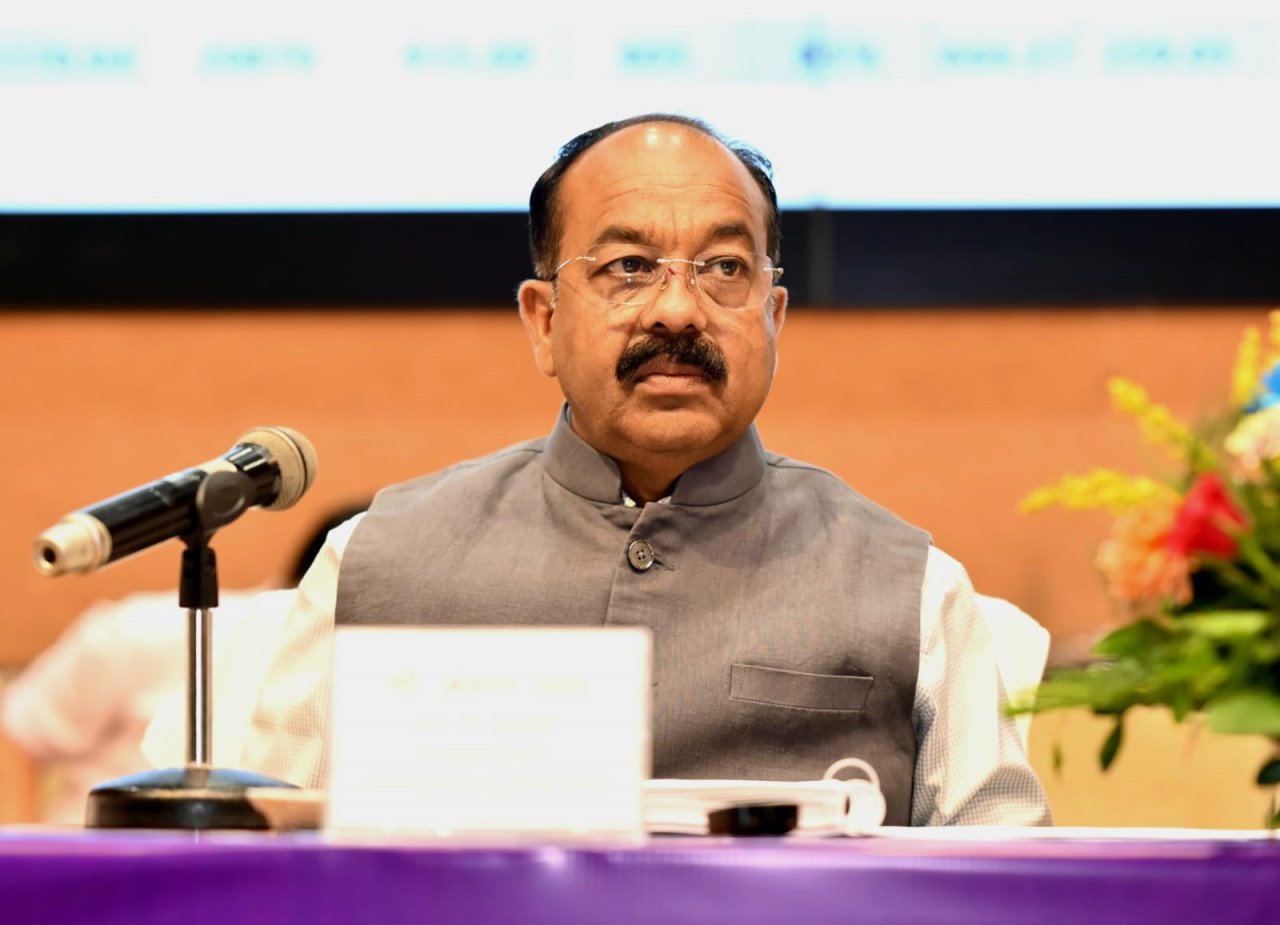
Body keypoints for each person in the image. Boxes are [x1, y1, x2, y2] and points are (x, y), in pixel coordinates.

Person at [243, 114, 1051, 826]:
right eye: (628, 266)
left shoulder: (916, 589)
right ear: (544, 320)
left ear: (772, 317)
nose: (677, 309)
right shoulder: (374, 564)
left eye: (725, 267)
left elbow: (1006, 879)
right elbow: (261, 862)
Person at [0, 502, 366, 824]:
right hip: (100, 866)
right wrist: (20, 863)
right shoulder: (140, 632)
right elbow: (14, 733)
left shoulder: (378, 673)